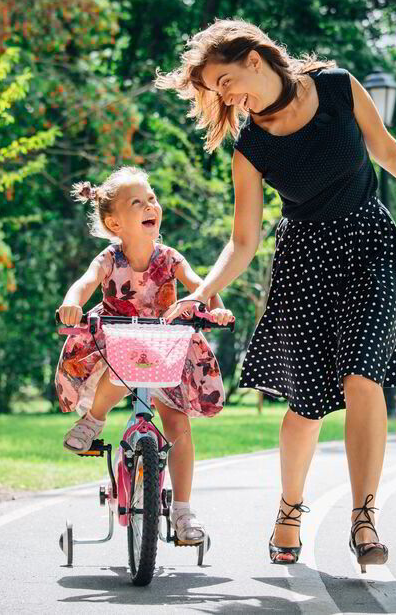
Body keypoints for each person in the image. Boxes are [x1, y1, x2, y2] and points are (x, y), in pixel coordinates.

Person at [156, 19, 396, 569]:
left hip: (371, 246)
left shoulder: (340, 88)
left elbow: (386, 150)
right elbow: (243, 240)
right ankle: (289, 510)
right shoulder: (250, 146)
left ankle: (363, 518)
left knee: (364, 377)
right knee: (308, 404)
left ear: (254, 58)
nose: (225, 97)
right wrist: (203, 290)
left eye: (224, 81)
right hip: (304, 264)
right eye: (215, 91)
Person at [55, 165, 234, 542]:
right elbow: (86, 282)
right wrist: (72, 302)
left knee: (178, 426)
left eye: (151, 198)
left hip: (167, 344)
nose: (150, 205)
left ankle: (183, 512)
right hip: (121, 340)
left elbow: (201, 287)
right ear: (115, 223)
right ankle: (93, 420)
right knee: (118, 374)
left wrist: (214, 307)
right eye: (137, 202)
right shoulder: (109, 258)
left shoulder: (169, 257)